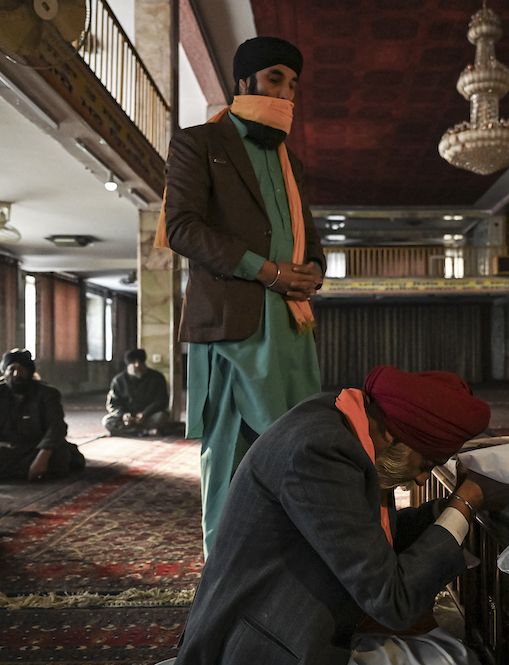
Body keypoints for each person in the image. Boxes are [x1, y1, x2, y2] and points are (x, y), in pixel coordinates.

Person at [174, 366, 509, 665]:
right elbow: (392, 602)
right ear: (398, 437)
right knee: (452, 659)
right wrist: (466, 504)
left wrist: (443, 509)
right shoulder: (321, 454)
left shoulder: (343, 421)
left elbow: (362, 538)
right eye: (425, 464)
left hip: (277, 625)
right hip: (263, 647)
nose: (424, 479)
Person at [162, 36, 326, 555]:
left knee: (295, 446)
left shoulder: (289, 161)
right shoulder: (199, 144)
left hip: (291, 321)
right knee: (231, 453)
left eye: (294, 84)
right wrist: (268, 272)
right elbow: (182, 228)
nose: (287, 92)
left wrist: (313, 273)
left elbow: (308, 238)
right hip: (236, 323)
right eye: (276, 78)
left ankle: (283, 567)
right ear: (244, 82)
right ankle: (223, 573)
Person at [0, 349, 85, 482]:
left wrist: (42, 458)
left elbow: (56, 427)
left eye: (22, 369)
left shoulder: (48, 394)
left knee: (60, 456)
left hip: (34, 447)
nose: (17, 374)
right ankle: (19, 474)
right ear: (4, 372)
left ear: (30, 372)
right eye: (12, 369)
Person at [103, 348, 171, 437]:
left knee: (161, 417)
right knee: (107, 421)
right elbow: (113, 404)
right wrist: (123, 415)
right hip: (127, 419)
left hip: (149, 416)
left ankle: (131, 431)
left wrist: (146, 413)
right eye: (134, 362)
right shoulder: (118, 380)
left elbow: (161, 400)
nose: (137, 365)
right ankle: (146, 432)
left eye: (140, 362)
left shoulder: (157, 377)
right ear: (128, 365)